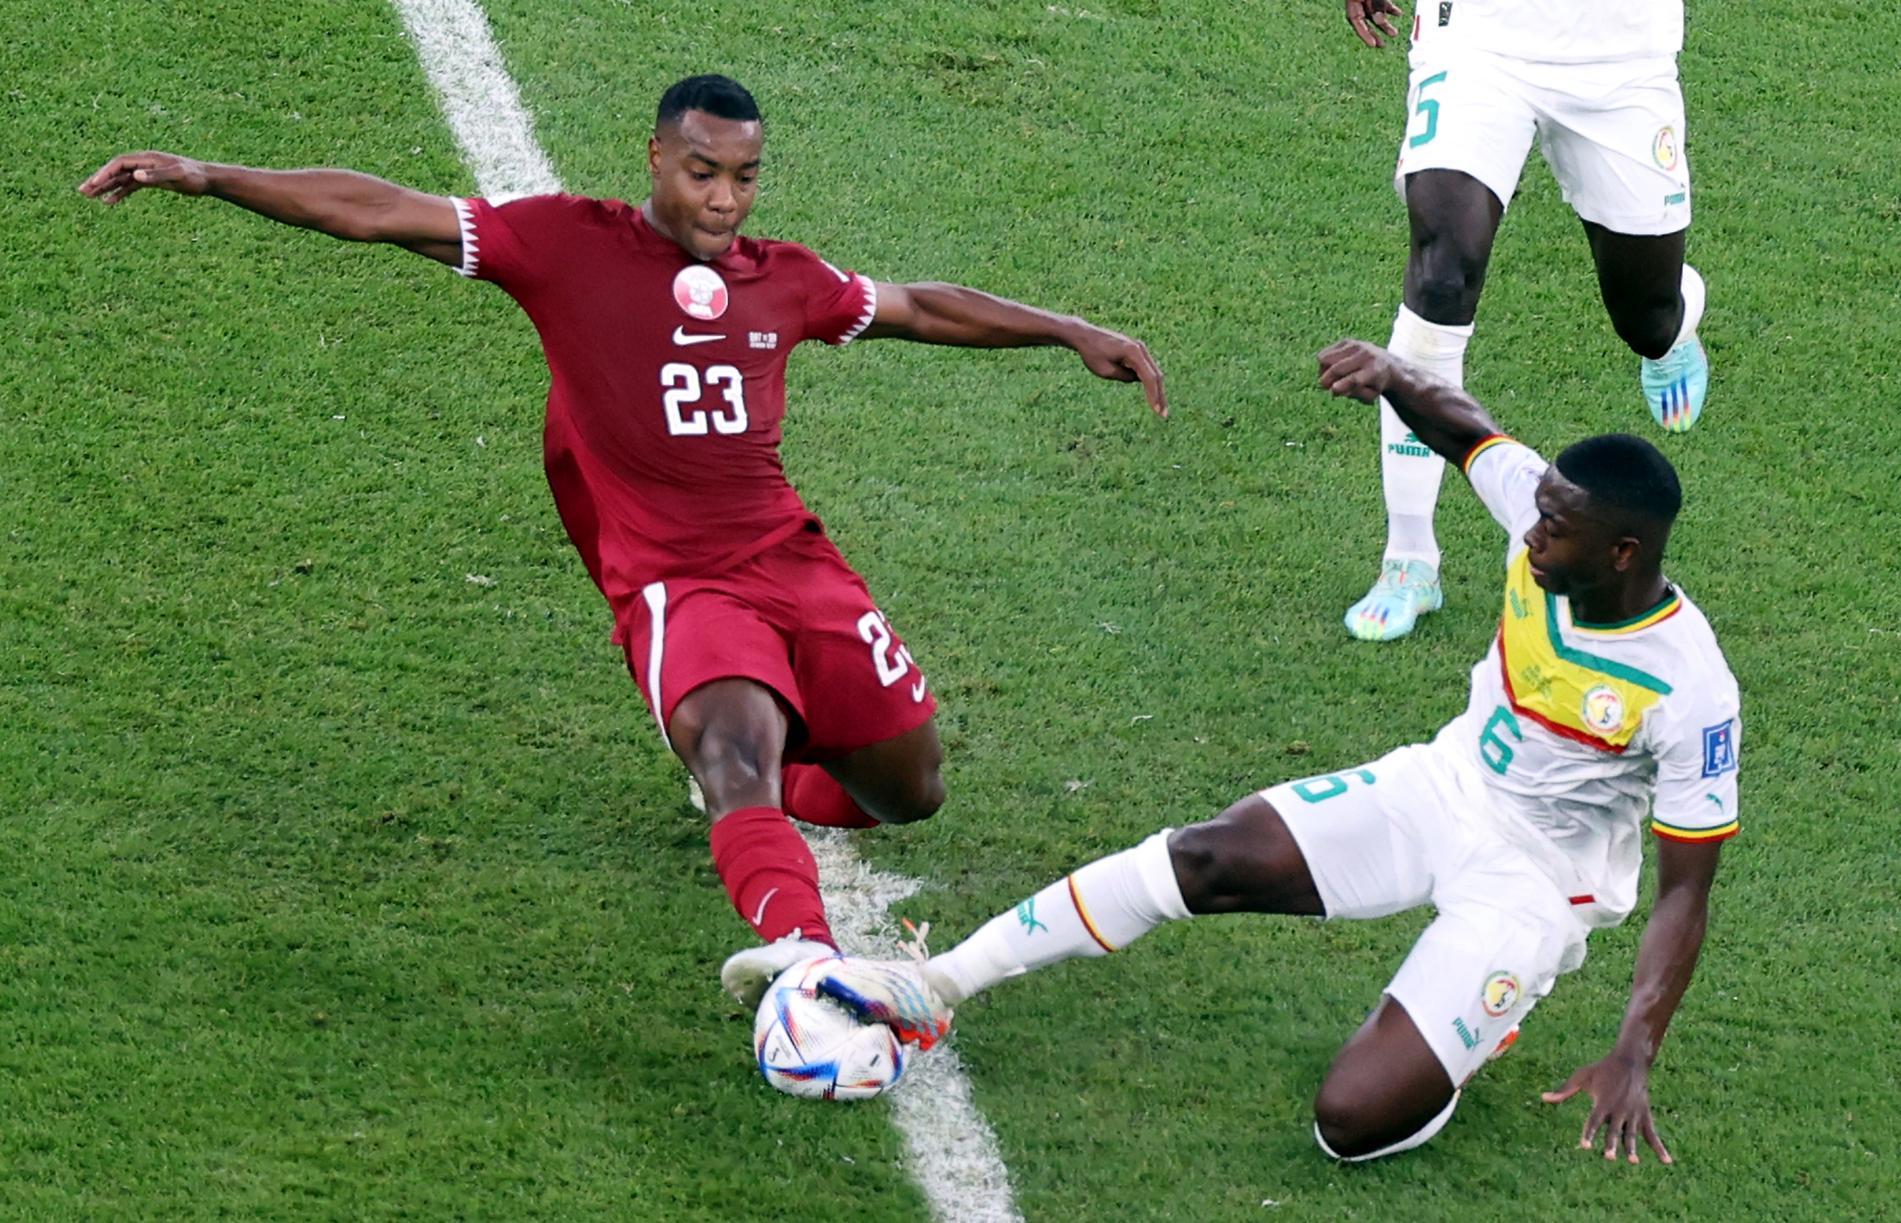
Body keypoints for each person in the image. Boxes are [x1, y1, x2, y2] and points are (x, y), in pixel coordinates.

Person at [78, 74, 1166, 1016]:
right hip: (678, 583)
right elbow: (379, 210)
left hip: (794, 562)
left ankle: (771, 798)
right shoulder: (561, 244)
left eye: (743, 177)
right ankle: (803, 961)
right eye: (702, 172)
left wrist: (1067, 330)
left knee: (910, 790)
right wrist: (208, 172)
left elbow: (920, 306)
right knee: (733, 751)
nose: (724, 200)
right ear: (655, 157)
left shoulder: (782, 277)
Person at [823, 337, 1740, 1164]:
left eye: (1555, 528)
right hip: (1444, 786)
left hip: (1537, 884)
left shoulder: (1688, 689)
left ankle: (1475, 1022)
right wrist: (1392, 376)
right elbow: (1472, 434)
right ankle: (937, 982)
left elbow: (1684, 892)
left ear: (1623, 552)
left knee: (1349, 1122)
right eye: (1537, 514)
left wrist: (1633, 1051)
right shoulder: (1545, 524)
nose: (1532, 532)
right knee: (1205, 855)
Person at [1339, 0, 1709, 642]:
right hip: (1478, 40)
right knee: (1441, 271)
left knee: (1646, 316)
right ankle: (1409, 559)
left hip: (1621, 56)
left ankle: (1672, 334)